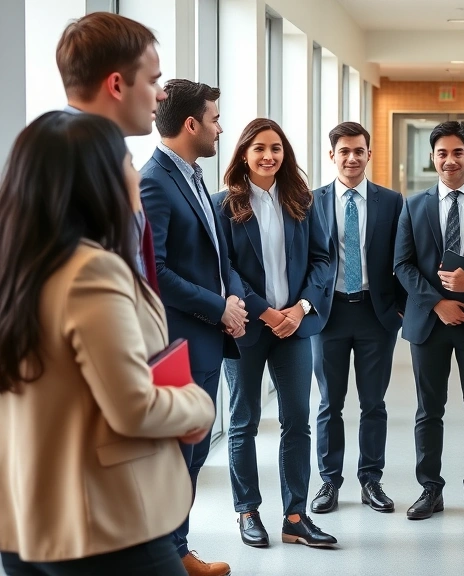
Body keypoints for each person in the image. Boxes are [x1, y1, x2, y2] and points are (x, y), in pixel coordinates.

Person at [0, 111, 215, 575]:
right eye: (127, 164)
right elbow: (133, 406)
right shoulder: (90, 271)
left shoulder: (16, 269)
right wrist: (197, 406)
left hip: (24, 516)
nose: (136, 175)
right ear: (99, 182)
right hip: (104, 516)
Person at [212, 118, 335, 548]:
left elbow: (324, 259)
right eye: (260, 148)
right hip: (246, 327)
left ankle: (295, 516)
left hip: (296, 328)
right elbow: (224, 270)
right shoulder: (224, 205)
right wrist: (267, 313)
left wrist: (300, 309)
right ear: (244, 153)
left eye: (276, 148)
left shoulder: (301, 199)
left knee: (297, 421)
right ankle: (247, 511)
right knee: (242, 421)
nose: (269, 156)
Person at [140, 79, 245, 576]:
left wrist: (231, 300)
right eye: (215, 119)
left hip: (205, 338)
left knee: (194, 452)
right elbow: (154, 270)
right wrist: (216, 307)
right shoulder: (154, 180)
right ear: (191, 124)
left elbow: (210, 253)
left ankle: (176, 551)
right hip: (178, 344)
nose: (220, 127)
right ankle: (169, 556)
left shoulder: (192, 174)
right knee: (178, 456)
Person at [394, 120, 464, 522]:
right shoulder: (414, 205)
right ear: (432, 158)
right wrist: (437, 303)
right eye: (442, 153)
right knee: (428, 410)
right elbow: (402, 265)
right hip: (429, 324)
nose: (450, 160)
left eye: (458, 152)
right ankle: (430, 490)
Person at [310, 121, 406, 515]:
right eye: (344, 151)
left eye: (359, 151)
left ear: (369, 154)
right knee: (330, 402)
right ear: (331, 155)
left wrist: (399, 307)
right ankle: (329, 481)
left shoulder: (391, 201)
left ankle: (371, 480)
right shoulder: (309, 201)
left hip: (375, 313)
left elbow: (404, 257)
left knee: (373, 403)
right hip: (328, 314)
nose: (352, 158)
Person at [56, 12, 166, 295]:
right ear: (116, 85)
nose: (161, 94)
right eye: (152, 81)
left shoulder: (102, 154)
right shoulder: (75, 163)